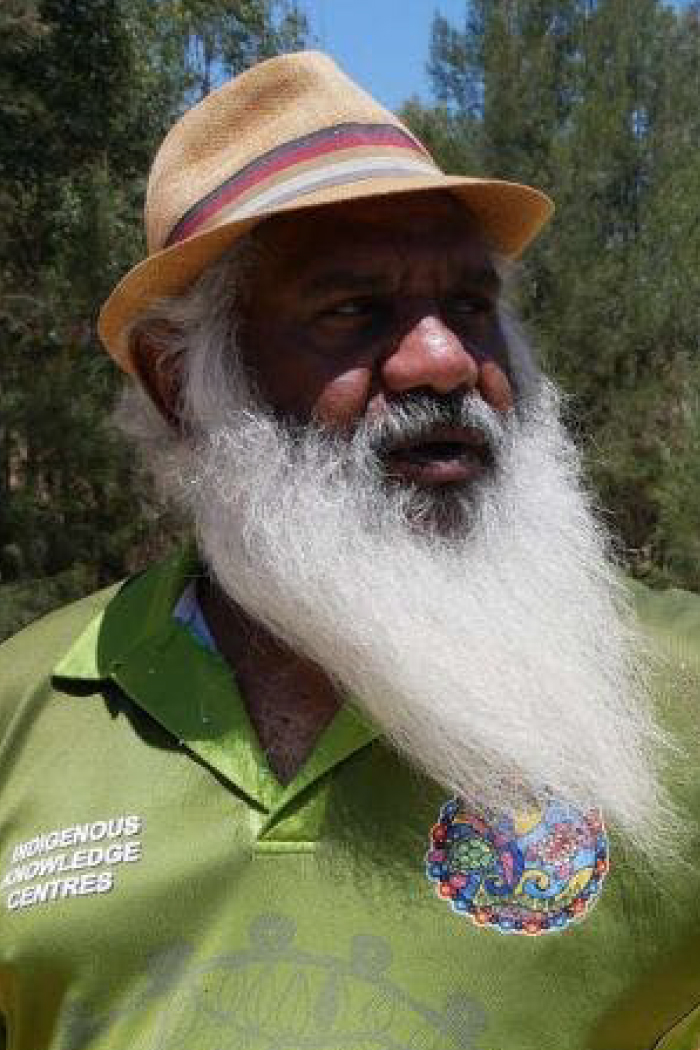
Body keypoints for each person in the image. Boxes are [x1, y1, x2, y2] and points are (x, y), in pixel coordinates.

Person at [1, 50, 699, 1050]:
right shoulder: (26, 710)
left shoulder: (677, 686)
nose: (443, 360)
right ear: (177, 380)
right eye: (352, 311)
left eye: (470, 306)